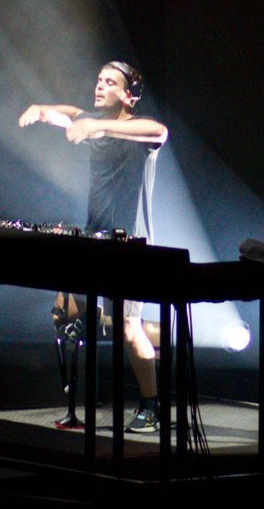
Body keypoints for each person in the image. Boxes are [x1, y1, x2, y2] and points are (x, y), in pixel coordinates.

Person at [18, 61, 168, 429]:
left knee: (128, 328)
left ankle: (151, 405)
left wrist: (99, 126)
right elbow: (72, 114)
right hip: (95, 237)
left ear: (128, 95)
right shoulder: (91, 121)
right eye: (99, 80)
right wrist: (41, 110)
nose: (99, 86)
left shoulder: (137, 130)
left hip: (131, 243)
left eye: (109, 82)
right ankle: (79, 402)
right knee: (69, 311)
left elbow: (159, 131)